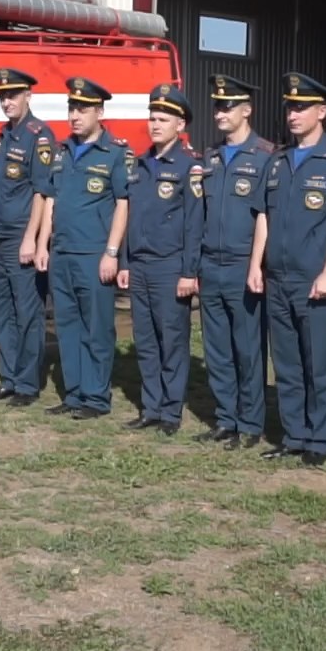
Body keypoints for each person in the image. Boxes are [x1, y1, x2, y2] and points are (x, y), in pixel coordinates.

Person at [253, 72, 326, 466]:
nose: (293, 114)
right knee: (287, 363)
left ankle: (319, 438)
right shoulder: (277, 161)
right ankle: (293, 434)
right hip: (277, 278)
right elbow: (263, 214)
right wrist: (257, 265)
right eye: (290, 107)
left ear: (322, 111)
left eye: (301, 107)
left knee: (318, 362)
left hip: (313, 279)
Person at [37, 77, 132, 420]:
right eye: (71, 108)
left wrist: (111, 252)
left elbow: (123, 204)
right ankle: (74, 393)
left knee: (97, 328)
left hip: (93, 255)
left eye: (82, 109)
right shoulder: (62, 152)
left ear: (99, 111)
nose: (75, 115)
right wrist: (43, 243)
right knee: (68, 326)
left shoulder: (115, 153)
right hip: (62, 253)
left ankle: (96, 397)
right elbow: (51, 200)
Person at [118, 83, 205, 435]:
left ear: (179, 125)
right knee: (146, 340)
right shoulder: (139, 165)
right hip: (139, 266)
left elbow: (195, 223)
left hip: (170, 267)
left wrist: (189, 272)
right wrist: (124, 262)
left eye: (163, 119)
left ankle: (171, 411)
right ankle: (151, 406)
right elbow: (129, 217)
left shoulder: (189, 168)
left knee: (172, 340)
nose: (155, 125)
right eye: (152, 118)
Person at [195, 74, 275, 449]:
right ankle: (226, 418)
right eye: (217, 106)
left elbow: (267, 216)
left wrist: (257, 265)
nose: (220, 112)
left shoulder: (266, 157)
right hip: (211, 265)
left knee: (247, 349)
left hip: (244, 266)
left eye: (228, 106)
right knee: (217, 350)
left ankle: (251, 423)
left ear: (247, 110)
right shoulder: (209, 157)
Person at [0, 67, 57, 408]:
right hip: (1, 236)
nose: (6, 102)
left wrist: (32, 239)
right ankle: (9, 379)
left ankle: (27, 384)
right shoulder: (3, 135)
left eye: (12, 95)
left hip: (21, 240)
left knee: (27, 313)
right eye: (2, 96)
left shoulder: (39, 136)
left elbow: (41, 192)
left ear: (28, 96)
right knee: (2, 312)